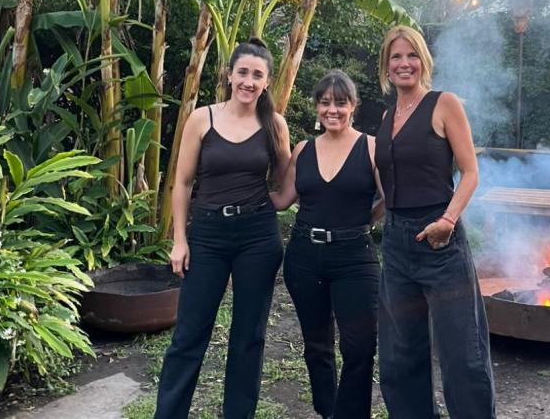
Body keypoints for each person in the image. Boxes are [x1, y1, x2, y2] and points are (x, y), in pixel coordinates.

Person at [154, 38, 291, 419]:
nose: (249, 81)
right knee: (189, 334)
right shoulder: (203, 118)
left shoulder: (274, 124)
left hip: (258, 237)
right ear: (229, 75)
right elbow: (182, 183)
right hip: (208, 235)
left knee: (249, 336)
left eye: (257, 75)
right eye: (242, 72)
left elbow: (287, 181)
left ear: (267, 82)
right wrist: (179, 240)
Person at [374, 25, 497, 418]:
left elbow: (471, 172)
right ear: (386, 66)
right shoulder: (386, 116)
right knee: (400, 353)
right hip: (396, 243)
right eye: (396, 56)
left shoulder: (444, 104)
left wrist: (448, 218)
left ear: (423, 61)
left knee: (463, 353)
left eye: (412, 55)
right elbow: (387, 179)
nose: (404, 63)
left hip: (440, 242)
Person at [271, 70, 382, 419]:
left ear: (353, 106)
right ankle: (327, 411)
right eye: (325, 102)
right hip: (305, 256)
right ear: (317, 106)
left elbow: (391, 198)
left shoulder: (371, 147)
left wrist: (368, 219)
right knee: (317, 345)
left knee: (360, 346)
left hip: (355, 258)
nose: (332, 110)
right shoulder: (303, 150)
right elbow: (282, 200)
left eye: (340, 103)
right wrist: (237, 186)